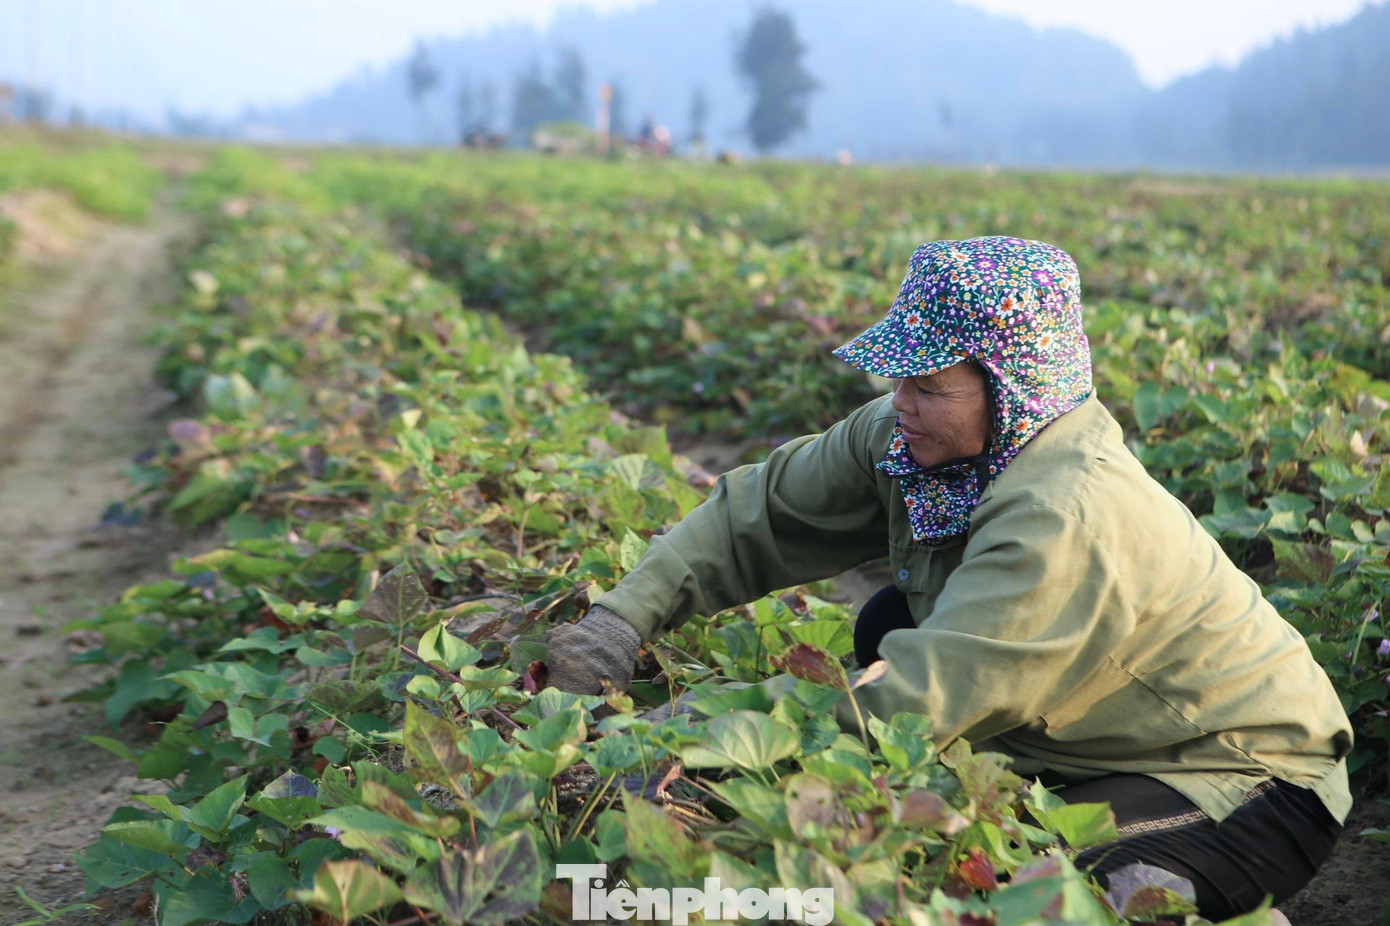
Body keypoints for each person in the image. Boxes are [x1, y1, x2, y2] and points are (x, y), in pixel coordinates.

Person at [544, 236, 1352, 919]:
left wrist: (693, 741)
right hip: (1072, 730)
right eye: (901, 376)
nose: (901, 402)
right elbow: (759, 513)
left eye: (929, 385)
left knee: (1037, 885)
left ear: (1013, 389)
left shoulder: (1068, 512)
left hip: (1240, 772)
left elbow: (918, 700)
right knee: (886, 629)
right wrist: (622, 621)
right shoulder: (918, 428)